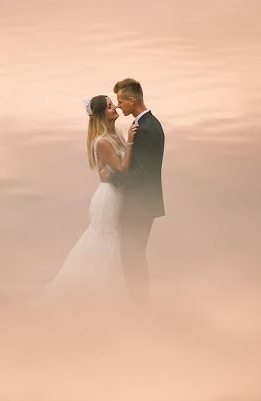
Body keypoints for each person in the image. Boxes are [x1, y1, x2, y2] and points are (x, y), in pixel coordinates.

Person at [36, 94, 138, 310]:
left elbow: (116, 168)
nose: (115, 108)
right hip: (108, 199)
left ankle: (105, 297)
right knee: (106, 242)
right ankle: (94, 297)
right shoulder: (102, 141)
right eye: (110, 107)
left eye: (113, 105)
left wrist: (127, 140)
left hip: (117, 194)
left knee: (111, 242)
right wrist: (131, 140)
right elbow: (121, 168)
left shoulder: (115, 134)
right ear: (102, 114)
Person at [101, 78, 165, 306]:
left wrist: (113, 177)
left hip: (139, 205)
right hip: (142, 204)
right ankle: (140, 304)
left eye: (120, 101)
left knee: (132, 256)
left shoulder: (147, 129)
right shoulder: (146, 124)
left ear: (131, 100)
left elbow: (142, 174)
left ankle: (140, 307)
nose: (118, 106)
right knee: (134, 255)